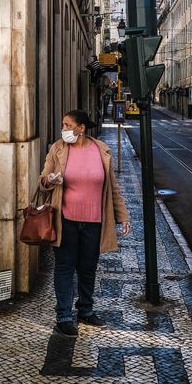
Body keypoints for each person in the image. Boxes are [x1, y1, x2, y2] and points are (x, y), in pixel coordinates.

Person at [39, 109, 130, 337]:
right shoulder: (58, 148)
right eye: (63, 124)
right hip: (65, 220)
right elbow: (42, 181)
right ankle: (63, 316)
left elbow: (112, 188)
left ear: (81, 128)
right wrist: (50, 180)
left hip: (94, 221)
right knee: (65, 267)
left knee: (88, 268)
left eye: (68, 125)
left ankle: (85, 310)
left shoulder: (101, 150)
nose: (64, 129)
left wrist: (123, 216)